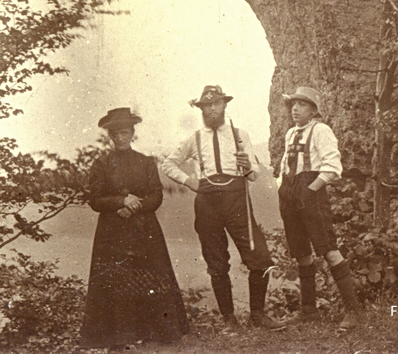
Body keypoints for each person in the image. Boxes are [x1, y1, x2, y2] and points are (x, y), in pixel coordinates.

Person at [161, 86, 286, 333]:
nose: (212, 109)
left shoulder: (240, 135)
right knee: (217, 264)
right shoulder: (193, 138)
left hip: (237, 201)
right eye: (206, 106)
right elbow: (169, 164)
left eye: (216, 104)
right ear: (201, 109)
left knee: (260, 258)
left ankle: (257, 315)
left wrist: (248, 165)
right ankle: (229, 320)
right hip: (207, 203)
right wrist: (189, 181)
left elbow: (254, 175)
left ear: (224, 105)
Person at [80, 107, 189, 350]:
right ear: (110, 135)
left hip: (144, 231)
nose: (120, 137)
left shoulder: (146, 162)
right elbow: (95, 200)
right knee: (118, 282)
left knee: (149, 279)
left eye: (125, 132)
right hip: (112, 234)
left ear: (132, 133)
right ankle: (120, 337)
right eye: (115, 133)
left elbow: (156, 195)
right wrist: (121, 201)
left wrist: (134, 207)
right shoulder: (101, 164)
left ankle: (156, 332)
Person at [276, 86, 361, 330]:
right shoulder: (291, 133)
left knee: (328, 249)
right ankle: (308, 310)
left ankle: (353, 311)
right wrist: (282, 187)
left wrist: (311, 189)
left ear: (313, 110)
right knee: (301, 253)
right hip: (290, 194)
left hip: (311, 193)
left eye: (302, 104)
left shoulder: (321, 130)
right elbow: (285, 165)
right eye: (293, 104)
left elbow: (333, 167)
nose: (295, 108)